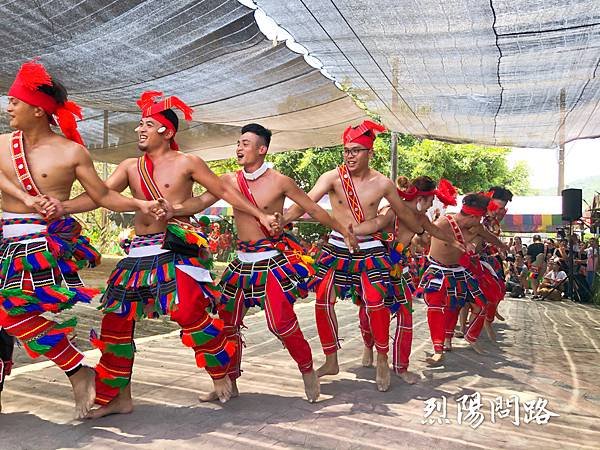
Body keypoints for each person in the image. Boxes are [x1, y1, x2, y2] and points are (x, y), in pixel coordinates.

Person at [61, 93, 281, 417]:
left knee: (190, 311)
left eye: (147, 124)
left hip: (174, 248)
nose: (139, 129)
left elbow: (224, 191)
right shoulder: (129, 166)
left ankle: (220, 374)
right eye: (140, 123)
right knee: (115, 322)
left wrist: (259, 215)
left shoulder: (186, 163)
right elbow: (100, 196)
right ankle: (118, 397)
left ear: (166, 130)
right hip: (138, 253)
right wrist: (60, 208)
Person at [0, 61, 164, 418]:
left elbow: (102, 196)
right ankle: (78, 370)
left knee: (8, 313)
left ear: (37, 109)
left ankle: (78, 370)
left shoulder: (70, 152)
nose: (8, 107)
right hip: (4, 242)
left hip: (38, 247)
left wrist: (136, 203)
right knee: (9, 315)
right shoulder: (1, 144)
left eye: (14, 101)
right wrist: (28, 198)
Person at [175, 123, 357, 402]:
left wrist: (343, 230)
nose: (239, 147)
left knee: (280, 322)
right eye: (238, 142)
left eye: (246, 143)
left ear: (262, 149)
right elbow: (198, 203)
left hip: (270, 262)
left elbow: (313, 208)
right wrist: (171, 208)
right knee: (226, 322)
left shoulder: (280, 181)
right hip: (240, 263)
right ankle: (229, 382)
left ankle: (307, 370)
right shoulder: (227, 181)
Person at [282, 120, 436, 392]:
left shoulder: (383, 183)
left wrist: (420, 233)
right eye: (346, 150)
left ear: (370, 153)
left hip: (370, 250)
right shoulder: (331, 177)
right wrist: (281, 220)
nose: (350, 155)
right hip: (336, 248)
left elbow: (403, 214)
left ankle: (381, 357)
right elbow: (305, 204)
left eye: (356, 150)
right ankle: (331, 360)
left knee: (375, 302)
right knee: (322, 299)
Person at [351, 175, 459, 384]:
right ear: (419, 198)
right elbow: (375, 225)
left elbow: (435, 231)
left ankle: (401, 367)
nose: (429, 206)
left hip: (399, 270)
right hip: (375, 268)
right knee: (367, 313)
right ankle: (368, 346)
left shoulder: (421, 219)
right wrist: (353, 231)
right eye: (428, 201)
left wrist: (456, 243)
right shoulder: (391, 212)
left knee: (405, 317)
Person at [418, 193, 507, 363]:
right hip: (438, 270)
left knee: (479, 304)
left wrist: (502, 246)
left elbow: (490, 237)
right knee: (436, 306)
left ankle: (464, 337)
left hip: (459, 271)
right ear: (474, 216)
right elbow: (421, 237)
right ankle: (438, 349)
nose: (482, 221)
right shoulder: (442, 224)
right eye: (481, 218)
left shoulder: (477, 227)